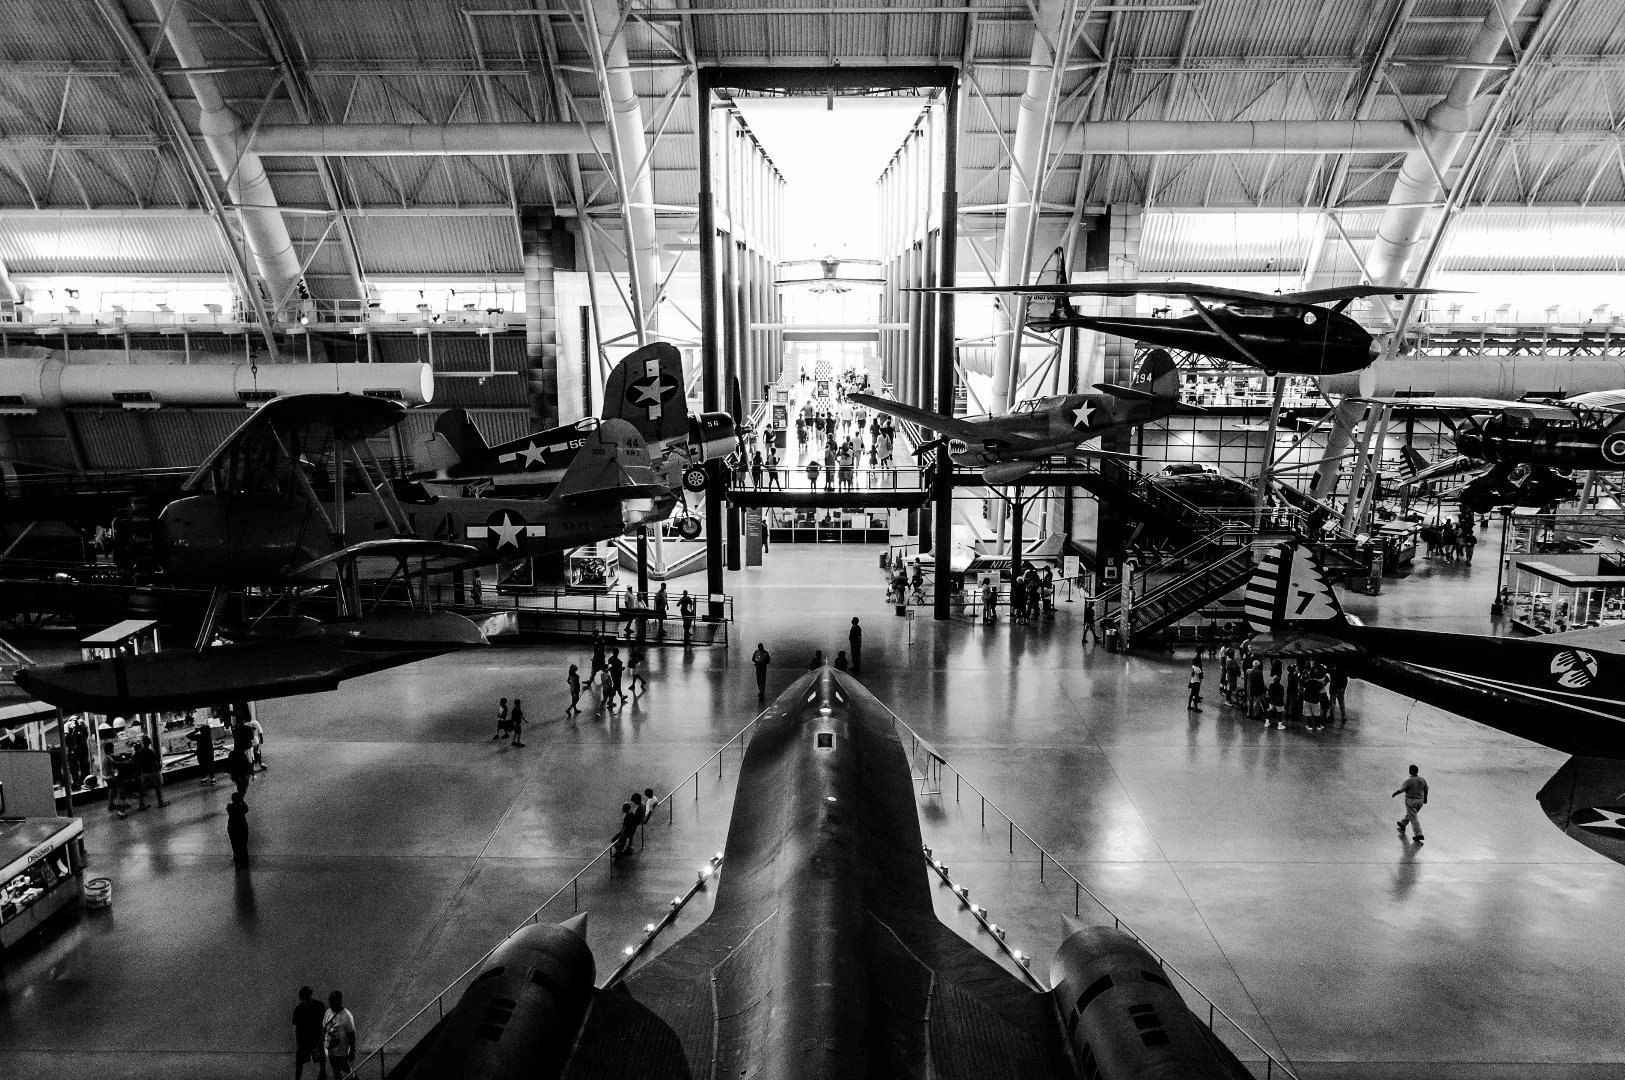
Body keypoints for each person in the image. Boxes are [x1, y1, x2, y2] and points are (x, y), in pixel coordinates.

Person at [293, 986, 327, 1080]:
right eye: (304, 998)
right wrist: (299, 1044)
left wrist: (322, 1041)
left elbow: (324, 1026)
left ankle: (322, 1074)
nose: (306, 1000)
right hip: (304, 1040)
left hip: (317, 1038)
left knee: (321, 1059)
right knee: (299, 1062)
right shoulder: (298, 1009)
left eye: (307, 997)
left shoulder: (319, 1006)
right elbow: (297, 1029)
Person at [322, 991, 356, 1080]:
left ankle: (354, 1077)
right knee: (336, 1070)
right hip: (331, 1050)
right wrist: (319, 1046)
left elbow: (352, 1034)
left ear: (339, 1002)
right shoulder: (328, 1012)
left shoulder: (347, 1015)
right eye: (330, 1002)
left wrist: (352, 1051)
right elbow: (324, 1029)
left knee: (345, 1069)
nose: (331, 1005)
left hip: (342, 1051)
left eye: (333, 1002)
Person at [1393, 764, 1429, 843]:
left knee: (1414, 818)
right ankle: (1403, 824)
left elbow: (1401, 789)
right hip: (1420, 801)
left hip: (1411, 801)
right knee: (1412, 814)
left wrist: (1395, 793)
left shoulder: (1409, 780)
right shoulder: (1422, 779)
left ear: (1410, 771)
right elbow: (1426, 788)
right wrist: (1425, 798)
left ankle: (1419, 834)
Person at [134, 736, 165, 809]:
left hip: (144, 772)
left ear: (143, 743)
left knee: (142, 788)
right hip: (153, 772)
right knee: (157, 787)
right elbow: (155, 762)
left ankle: (141, 804)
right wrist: (158, 771)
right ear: (149, 743)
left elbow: (134, 758)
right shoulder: (150, 752)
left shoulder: (139, 752)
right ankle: (160, 802)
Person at [226, 790, 249, 868]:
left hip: (232, 827)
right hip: (242, 827)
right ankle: (245, 861)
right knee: (243, 844)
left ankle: (236, 859)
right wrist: (243, 801)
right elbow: (246, 809)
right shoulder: (242, 807)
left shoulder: (229, 807)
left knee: (234, 844)